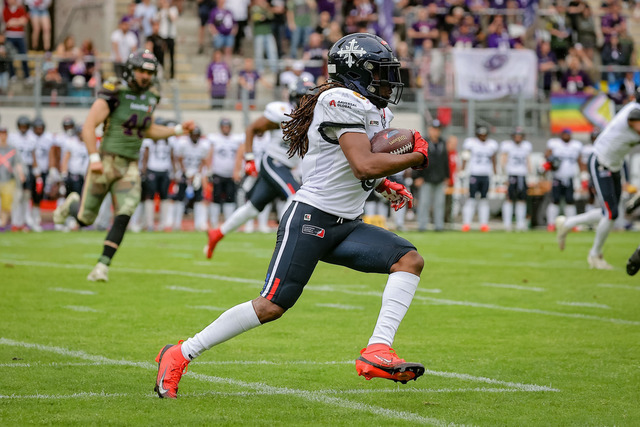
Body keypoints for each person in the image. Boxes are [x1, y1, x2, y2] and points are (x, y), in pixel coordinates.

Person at [155, 33, 429, 399]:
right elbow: (362, 164)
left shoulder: (373, 109)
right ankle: (180, 353)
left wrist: (384, 184)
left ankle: (378, 349)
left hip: (347, 224)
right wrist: (416, 156)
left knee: (409, 260)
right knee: (271, 306)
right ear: (356, 72)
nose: (387, 81)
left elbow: (349, 166)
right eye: (379, 72)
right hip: (311, 219)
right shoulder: (339, 99)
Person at [53, 50, 195, 281]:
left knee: (126, 210)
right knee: (85, 219)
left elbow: (148, 129)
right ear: (130, 70)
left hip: (129, 164)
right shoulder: (115, 91)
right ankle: (72, 206)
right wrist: (94, 158)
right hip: (106, 161)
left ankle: (102, 265)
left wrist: (178, 130)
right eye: (141, 71)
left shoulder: (151, 96)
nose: (145, 76)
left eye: (149, 72)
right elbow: (89, 126)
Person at [204, 77, 314, 259]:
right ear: (294, 97)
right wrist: (249, 159)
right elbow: (252, 129)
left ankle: (217, 233)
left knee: (253, 208)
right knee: (295, 195)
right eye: (303, 98)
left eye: (309, 99)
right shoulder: (283, 112)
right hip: (273, 162)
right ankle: (285, 242)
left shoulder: (315, 118)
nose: (306, 103)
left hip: (286, 167)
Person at [556, 93, 640, 269]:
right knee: (611, 214)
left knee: (609, 212)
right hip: (601, 162)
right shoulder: (634, 112)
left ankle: (568, 223)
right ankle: (595, 255)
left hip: (614, 165)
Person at [207, 118, 244, 229]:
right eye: (224, 127)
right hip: (217, 173)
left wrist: (237, 171)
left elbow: (240, 155)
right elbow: (210, 154)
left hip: (231, 174)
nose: (225, 129)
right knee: (216, 198)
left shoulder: (236, 139)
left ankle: (229, 223)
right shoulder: (214, 139)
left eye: (227, 127)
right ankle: (214, 223)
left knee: (230, 198)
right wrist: (208, 170)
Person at [413, 119, 449, 232]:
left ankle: (439, 225)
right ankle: (422, 225)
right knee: (424, 203)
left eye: (437, 130)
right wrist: (417, 176)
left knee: (439, 203)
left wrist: (447, 176)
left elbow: (445, 161)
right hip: (426, 178)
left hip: (439, 178)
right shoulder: (423, 142)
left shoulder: (442, 143)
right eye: (434, 129)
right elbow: (417, 160)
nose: (436, 132)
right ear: (429, 130)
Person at [141, 118, 177, 231]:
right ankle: (149, 223)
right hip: (152, 169)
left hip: (165, 170)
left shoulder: (170, 140)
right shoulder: (149, 140)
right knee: (150, 197)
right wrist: (143, 170)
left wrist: (174, 171)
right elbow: (145, 156)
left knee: (164, 197)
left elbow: (172, 156)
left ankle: (163, 223)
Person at [461, 126, 498, 232]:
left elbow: (493, 159)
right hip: (474, 174)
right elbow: (465, 156)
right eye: (481, 135)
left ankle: (484, 224)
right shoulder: (471, 143)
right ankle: (466, 224)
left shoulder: (491, 145)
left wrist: (495, 173)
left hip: (485, 175)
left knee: (484, 199)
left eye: (484, 135)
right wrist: (462, 170)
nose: (483, 137)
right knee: (471, 199)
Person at [545, 128, 582, 232]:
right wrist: (550, 161)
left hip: (570, 177)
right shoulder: (554, 144)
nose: (566, 136)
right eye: (564, 134)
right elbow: (547, 156)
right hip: (557, 177)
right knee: (555, 200)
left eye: (567, 134)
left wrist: (583, 175)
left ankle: (572, 224)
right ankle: (551, 224)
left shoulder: (576, 146)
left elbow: (579, 160)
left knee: (570, 201)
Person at [174, 126, 210, 231]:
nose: (195, 137)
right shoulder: (183, 144)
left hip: (196, 174)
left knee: (199, 198)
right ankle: (177, 223)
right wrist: (185, 173)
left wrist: (197, 174)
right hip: (184, 172)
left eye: (196, 135)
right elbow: (179, 159)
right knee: (180, 198)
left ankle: (199, 224)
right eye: (193, 135)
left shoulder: (203, 146)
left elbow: (203, 161)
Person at [500, 127, 532, 232]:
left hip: (522, 175)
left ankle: (520, 224)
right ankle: (507, 224)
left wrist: (530, 174)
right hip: (511, 174)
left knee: (522, 199)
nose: (518, 138)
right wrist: (504, 175)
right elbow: (503, 160)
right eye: (516, 136)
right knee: (509, 198)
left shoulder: (526, 146)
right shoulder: (507, 145)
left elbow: (528, 160)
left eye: (520, 136)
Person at [30, 117, 58, 232]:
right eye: (37, 128)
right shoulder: (30, 137)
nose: (39, 130)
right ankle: (32, 219)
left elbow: (51, 153)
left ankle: (37, 219)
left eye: (40, 128)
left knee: (42, 195)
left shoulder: (48, 138)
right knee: (32, 195)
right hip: (33, 171)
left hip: (44, 171)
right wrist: (35, 169)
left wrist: (52, 169)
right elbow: (32, 154)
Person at [9, 116, 35, 231]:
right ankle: (16, 221)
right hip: (16, 168)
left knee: (26, 195)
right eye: (21, 126)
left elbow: (33, 154)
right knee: (17, 195)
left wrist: (36, 170)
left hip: (28, 167)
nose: (23, 128)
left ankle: (25, 220)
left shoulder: (32, 138)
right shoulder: (13, 138)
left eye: (25, 126)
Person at [0, 125, 25, 230]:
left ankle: (3, 223)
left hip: (8, 180)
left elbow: (17, 163)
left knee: (6, 204)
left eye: (4, 134)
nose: (2, 136)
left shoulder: (12, 149)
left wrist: (21, 174)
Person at [3, 0, 31, 81]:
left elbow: (24, 21)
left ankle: (27, 75)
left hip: (20, 36)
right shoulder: (5, 10)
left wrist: (13, 22)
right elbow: (8, 23)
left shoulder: (21, 9)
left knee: (24, 56)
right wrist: (18, 21)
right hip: (9, 36)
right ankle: (12, 75)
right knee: (9, 56)